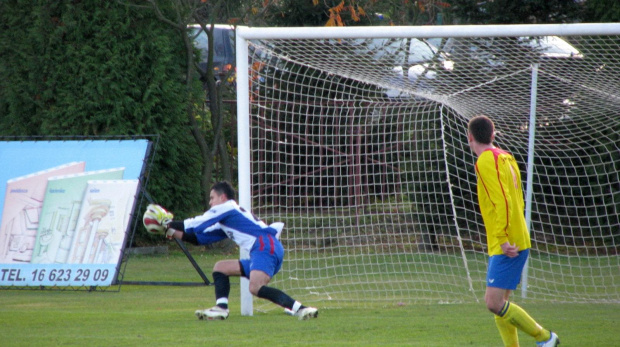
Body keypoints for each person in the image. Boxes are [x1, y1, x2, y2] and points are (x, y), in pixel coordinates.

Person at [143, 181, 318, 321]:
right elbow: (198, 238)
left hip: (264, 245)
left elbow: (195, 223)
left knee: (255, 287)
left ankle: (301, 309)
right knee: (220, 267)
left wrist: (166, 222)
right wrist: (170, 231)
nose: (210, 202)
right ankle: (221, 308)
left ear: (223, 197)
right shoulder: (227, 219)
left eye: (212, 198)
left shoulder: (228, 207)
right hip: (264, 248)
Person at [467, 116, 559, 347]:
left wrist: (502, 238)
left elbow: (503, 201)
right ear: (492, 134)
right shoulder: (505, 156)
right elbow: (518, 199)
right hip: (517, 236)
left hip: (507, 242)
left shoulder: (486, 160)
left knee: (493, 303)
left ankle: (545, 338)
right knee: (502, 305)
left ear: (470, 137)